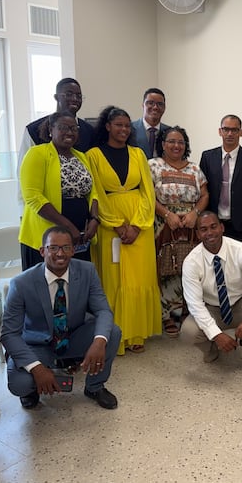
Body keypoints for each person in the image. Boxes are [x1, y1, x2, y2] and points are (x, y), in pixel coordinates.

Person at [1, 226, 122, 410]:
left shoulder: (87, 271)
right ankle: (31, 390)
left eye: (66, 248)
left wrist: (98, 342)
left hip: (73, 336)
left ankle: (94, 387)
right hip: (38, 343)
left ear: (73, 250)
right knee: (20, 383)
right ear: (42, 251)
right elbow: (9, 334)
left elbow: (103, 310)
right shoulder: (21, 283)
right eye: (53, 248)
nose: (60, 253)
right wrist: (36, 368)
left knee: (111, 332)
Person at [86, 106, 160, 354]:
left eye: (127, 126)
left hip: (140, 225)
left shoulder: (138, 154)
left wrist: (137, 225)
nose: (124, 129)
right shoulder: (93, 155)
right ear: (107, 126)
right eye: (118, 125)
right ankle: (114, 335)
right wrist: (117, 224)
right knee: (114, 279)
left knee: (140, 278)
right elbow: (95, 193)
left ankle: (137, 332)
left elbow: (148, 192)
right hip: (110, 227)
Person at [181, 212, 242, 380]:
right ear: (197, 234)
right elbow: (195, 304)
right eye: (203, 229)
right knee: (188, 330)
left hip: (241, 303)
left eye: (213, 226)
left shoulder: (240, 250)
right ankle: (211, 347)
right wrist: (216, 335)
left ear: (222, 227)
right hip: (213, 308)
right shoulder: (191, 262)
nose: (209, 233)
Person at [19, 111, 99, 270]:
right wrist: (67, 227)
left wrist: (94, 219)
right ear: (51, 129)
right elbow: (33, 197)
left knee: (76, 285)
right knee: (46, 289)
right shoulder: (37, 153)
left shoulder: (81, 156)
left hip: (79, 238)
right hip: (47, 237)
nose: (70, 132)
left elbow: (93, 192)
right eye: (64, 128)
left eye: (74, 128)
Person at [149, 126, 208, 336]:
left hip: (191, 225)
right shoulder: (153, 165)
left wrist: (194, 213)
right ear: (163, 144)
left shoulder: (194, 168)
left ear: (186, 145)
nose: (176, 145)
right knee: (166, 267)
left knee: (190, 268)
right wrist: (167, 215)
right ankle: (167, 315)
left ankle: (187, 311)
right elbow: (147, 196)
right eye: (171, 141)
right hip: (164, 224)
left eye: (181, 142)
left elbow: (204, 195)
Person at [200, 115, 242, 243]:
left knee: (236, 260)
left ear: (241, 133)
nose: (230, 134)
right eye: (226, 129)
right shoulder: (207, 157)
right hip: (213, 221)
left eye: (234, 130)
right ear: (220, 131)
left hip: (240, 223)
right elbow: (202, 190)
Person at [18, 78, 94, 165]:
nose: (74, 99)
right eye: (69, 94)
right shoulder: (34, 130)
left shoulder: (89, 131)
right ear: (56, 97)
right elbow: (23, 168)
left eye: (79, 96)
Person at [131, 88, 171, 159]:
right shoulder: (130, 129)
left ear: (164, 107)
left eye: (160, 104)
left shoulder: (169, 132)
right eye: (150, 103)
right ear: (143, 105)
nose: (155, 107)